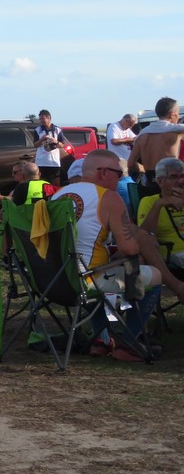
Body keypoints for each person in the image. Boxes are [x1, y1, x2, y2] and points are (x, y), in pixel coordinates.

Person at [52, 150, 184, 361]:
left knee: (103, 268)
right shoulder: (109, 197)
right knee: (153, 274)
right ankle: (129, 344)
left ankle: (102, 339)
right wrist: (141, 240)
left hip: (53, 282)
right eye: (118, 173)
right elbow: (130, 249)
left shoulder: (58, 195)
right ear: (103, 172)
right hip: (85, 282)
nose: (120, 178)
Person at [128, 97, 184, 194]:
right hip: (171, 182)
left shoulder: (142, 134)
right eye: (178, 114)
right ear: (172, 114)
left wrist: (146, 170)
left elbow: (130, 163)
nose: (178, 117)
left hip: (150, 180)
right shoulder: (176, 130)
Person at [137, 157, 184, 269]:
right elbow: (145, 236)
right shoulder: (149, 202)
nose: (181, 181)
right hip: (173, 253)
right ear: (160, 181)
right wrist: (159, 205)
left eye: (183, 176)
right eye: (174, 177)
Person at [33, 109, 68, 186]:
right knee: (41, 184)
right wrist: (42, 139)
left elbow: (62, 145)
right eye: (40, 119)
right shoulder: (37, 130)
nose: (41, 120)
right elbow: (35, 145)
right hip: (41, 162)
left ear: (49, 118)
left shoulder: (57, 130)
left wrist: (55, 141)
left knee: (55, 184)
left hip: (54, 162)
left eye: (43, 118)